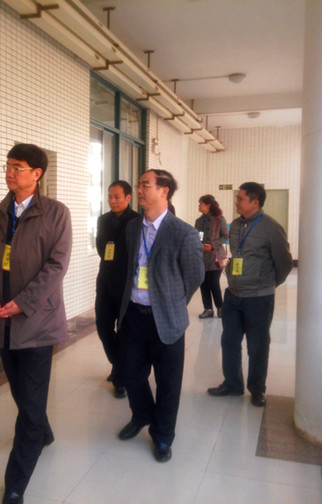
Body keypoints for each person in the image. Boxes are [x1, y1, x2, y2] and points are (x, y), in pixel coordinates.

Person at [0, 144, 72, 504]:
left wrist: (23, 303)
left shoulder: (56, 213)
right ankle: (42, 432)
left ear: (37, 174)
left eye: (17, 167)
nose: (10, 172)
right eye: (8, 166)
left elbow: (56, 266)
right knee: (22, 393)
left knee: (29, 406)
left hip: (37, 324)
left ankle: (15, 484)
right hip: (2, 322)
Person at [116, 169, 204, 463]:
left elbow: (194, 276)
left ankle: (163, 435)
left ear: (164, 190)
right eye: (139, 185)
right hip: (133, 315)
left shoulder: (183, 232)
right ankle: (142, 414)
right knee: (130, 372)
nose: (139, 190)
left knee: (168, 383)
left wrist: (173, 304)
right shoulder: (132, 228)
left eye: (145, 185)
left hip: (166, 319)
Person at [207, 182, 293, 407]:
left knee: (257, 345)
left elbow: (284, 263)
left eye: (241, 198)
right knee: (229, 341)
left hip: (259, 298)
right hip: (233, 294)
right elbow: (236, 255)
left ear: (255, 202)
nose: (236, 202)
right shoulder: (235, 224)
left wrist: (268, 284)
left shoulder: (271, 228)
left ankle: (257, 389)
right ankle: (232, 384)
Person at [95, 181, 139, 398]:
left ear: (128, 198)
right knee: (103, 327)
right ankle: (120, 366)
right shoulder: (103, 219)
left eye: (117, 197)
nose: (112, 201)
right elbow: (100, 246)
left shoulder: (137, 221)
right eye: (109, 196)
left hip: (126, 286)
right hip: (105, 282)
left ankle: (120, 378)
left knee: (124, 332)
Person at [194, 194, 229, 319]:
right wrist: (200, 245)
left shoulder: (220, 219)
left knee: (214, 283)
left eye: (201, 204)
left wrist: (213, 245)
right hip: (202, 258)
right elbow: (197, 237)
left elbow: (225, 236)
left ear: (208, 205)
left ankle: (220, 308)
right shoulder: (198, 221)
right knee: (203, 284)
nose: (199, 206)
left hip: (215, 258)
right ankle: (208, 309)